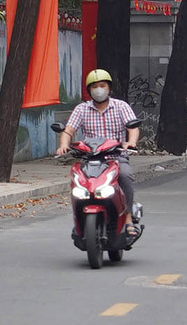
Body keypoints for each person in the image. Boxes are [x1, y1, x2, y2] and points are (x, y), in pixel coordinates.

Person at [55, 69, 141, 234]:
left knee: (125, 176)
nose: (99, 89)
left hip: (116, 157)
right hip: (90, 160)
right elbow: (68, 131)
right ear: (89, 90)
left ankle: (128, 218)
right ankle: (79, 218)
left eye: (102, 85)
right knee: (78, 181)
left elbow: (133, 127)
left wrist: (131, 143)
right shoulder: (82, 109)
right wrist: (63, 145)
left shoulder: (121, 106)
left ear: (109, 88)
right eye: (94, 86)